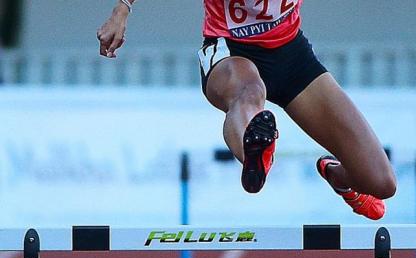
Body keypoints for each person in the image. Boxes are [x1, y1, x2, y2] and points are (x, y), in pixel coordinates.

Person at [97, 0, 396, 220]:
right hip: (232, 54)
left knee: (381, 182)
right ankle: (254, 156)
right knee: (250, 93)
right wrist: (121, 10)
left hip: (293, 57)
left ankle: (337, 176)